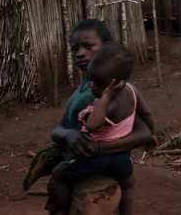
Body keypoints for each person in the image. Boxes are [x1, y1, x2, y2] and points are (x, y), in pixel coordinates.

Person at [23, 19, 154, 214]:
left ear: (107, 48)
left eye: (88, 46)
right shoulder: (82, 91)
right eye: (75, 49)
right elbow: (59, 129)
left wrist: (99, 147)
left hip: (96, 181)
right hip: (76, 169)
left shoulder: (114, 94)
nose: (80, 53)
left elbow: (144, 133)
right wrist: (68, 135)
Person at [51, 43, 156, 215]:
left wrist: (105, 97)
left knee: (58, 174)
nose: (93, 86)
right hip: (121, 159)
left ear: (117, 84)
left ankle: (63, 206)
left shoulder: (103, 102)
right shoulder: (132, 91)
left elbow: (92, 126)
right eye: (91, 80)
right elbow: (148, 114)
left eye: (99, 83)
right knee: (129, 186)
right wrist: (153, 134)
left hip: (94, 158)